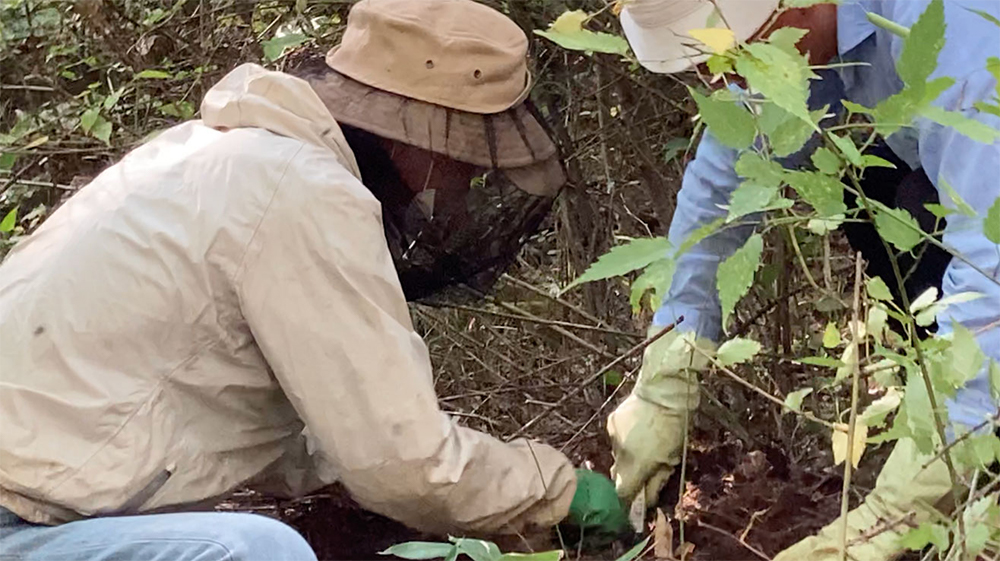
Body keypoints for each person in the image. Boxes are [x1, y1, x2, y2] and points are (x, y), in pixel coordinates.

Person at [0, 1, 630, 559]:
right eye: (462, 152)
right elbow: (403, 464)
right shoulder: (298, 191)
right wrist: (557, 494)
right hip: (20, 521)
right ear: (419, 130)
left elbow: (266, 425)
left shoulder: (217, 156)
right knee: (254, 552)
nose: (458, 181)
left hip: (34, 505)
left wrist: (374, 479)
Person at [606, 1, 1000, 560]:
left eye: (732, 50)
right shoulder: (797, 45)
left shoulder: (957, 29)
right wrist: (668, 371)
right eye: (707, 63)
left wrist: (891, 514)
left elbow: (994, 263)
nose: (726, 77)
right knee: (880, 196)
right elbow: (726, 183)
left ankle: (971, 464)